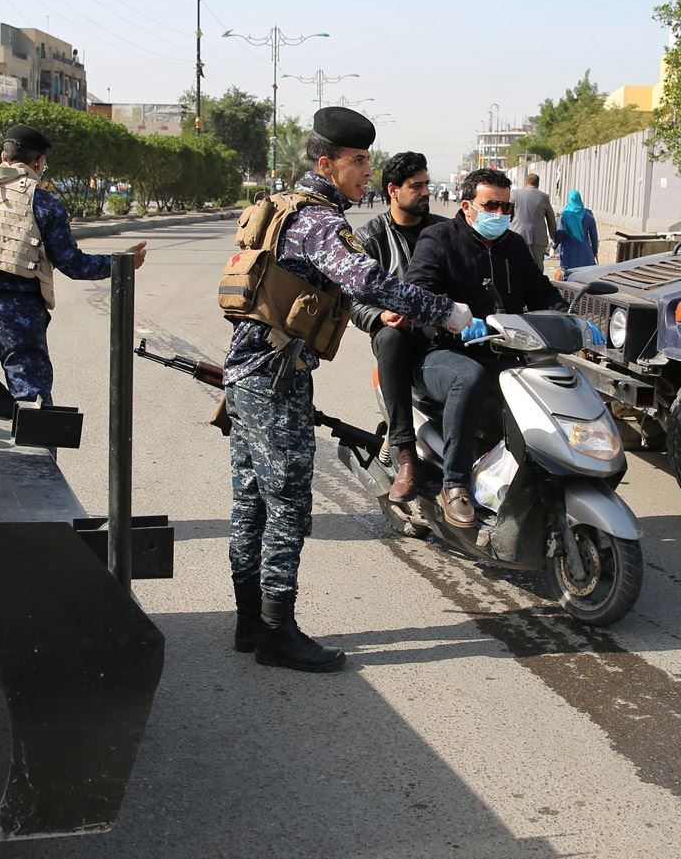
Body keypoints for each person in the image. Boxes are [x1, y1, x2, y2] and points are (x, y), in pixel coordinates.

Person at [223, 108, 472, 673]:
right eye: (357, 161)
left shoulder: (283, 208)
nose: (365, 171)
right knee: (286, 505)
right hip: (276, 377)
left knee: (250, 504)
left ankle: (247, 623)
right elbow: (368, 281)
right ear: (325, 163)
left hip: (247, 372)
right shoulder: (318, 221)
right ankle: (275, 632)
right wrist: (446, 311)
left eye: (365, 160)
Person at [402, 168, 569, 527]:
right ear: (466, 205)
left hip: (503, 351)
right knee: (471, 376)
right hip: (441, 355)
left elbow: (543, 293)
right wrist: (453, 319)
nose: (499, 214)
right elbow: (416, 293)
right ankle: (454, 485)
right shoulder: (438, 239)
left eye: (505, 207)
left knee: (552, 382)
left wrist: (573, 321)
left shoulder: (514, 247)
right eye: (489, 205)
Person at [0, 124, 147, 405]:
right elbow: (73, 264)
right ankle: (35, 451)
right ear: (38, 162)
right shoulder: (42, 202)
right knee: (32, 406)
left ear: (4, 156)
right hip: (19, 314)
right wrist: (122, 263)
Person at [351, 151, 446, 501]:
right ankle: (406, 454)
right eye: (417, 186)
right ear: (393, 190)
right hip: (399, 332)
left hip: (441, 329)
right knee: (390, 338)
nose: (425, 192)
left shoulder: (442, 231)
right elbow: (350, 298)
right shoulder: (370, 238)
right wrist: (379, 316)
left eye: (427, 185)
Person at [510, 173, 557, 269]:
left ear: (525, 182)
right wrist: (553, 236)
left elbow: (507, 214)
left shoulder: (514, 194)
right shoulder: (544, 197)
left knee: (518, 264)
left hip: (518, 235)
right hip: (538, 237)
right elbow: (551, 219)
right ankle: (537, 284)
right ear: (537, 184)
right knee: (538, 266)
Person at [555, 188, 600, 271]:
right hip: (585, 252)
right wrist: (594, 250)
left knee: (568, 278)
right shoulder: (588, 214)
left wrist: (555, 246)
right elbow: (594, 235)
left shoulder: (564, 215)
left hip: (568, 252)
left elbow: (560, 234)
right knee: (585, 277)